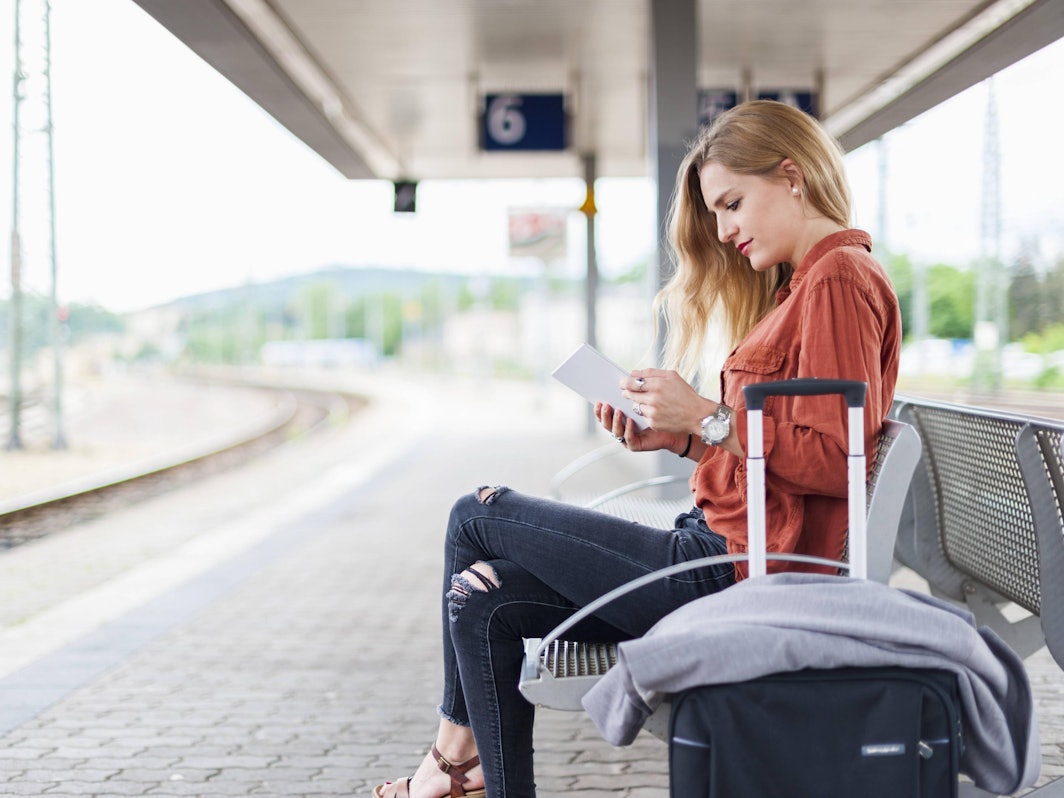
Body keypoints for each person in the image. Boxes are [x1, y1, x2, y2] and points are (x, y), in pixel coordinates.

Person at [370, 100, 902, 798]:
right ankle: (467, 777)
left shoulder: (836, 279)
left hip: (733, 572)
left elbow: (837, 460)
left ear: (793, 176)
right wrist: (680, 436)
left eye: (733, 203)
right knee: (480, 601)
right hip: (723, 552)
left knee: (477, 513)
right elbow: (783, 459)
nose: (725, 229)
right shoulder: (803, 286)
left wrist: (709, 420)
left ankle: (447, 767)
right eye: (716, 214)